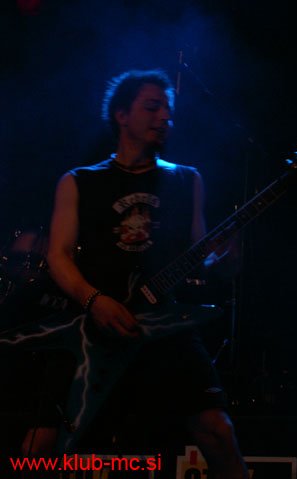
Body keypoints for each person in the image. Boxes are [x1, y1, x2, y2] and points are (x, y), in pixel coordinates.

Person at [21, 69, 248, 479]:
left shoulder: (187, 179)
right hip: (91, 329)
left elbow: (200, 260)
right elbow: (57, 255)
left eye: (168, 110)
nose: (165, 117)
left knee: (218, 432)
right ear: (122, 115)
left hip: (165, 327)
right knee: (40, 447)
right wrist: (94, 300)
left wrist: (227, 261)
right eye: (152, 107)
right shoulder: (78, 181)